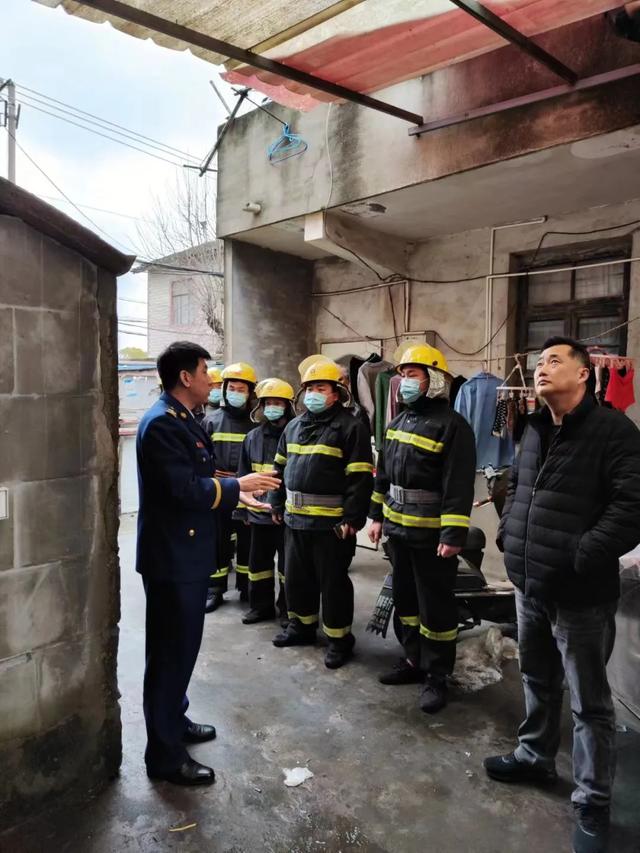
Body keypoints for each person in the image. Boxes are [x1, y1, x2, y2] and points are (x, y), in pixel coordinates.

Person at [483, 337, 640, 853]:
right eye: (538, 363)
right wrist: (509, 533)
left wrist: (582, 553)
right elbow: (517, 486)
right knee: (536, 678)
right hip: (529, 584)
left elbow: (632, 506)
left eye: (554, 361)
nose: (541, 369)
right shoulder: (532, 428)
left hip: (580, 594)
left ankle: (593, 802)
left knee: (590, 704)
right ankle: (535, 757)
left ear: (585, 374)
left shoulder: (614, 431)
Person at [136, 342, 279, 786]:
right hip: (172, 558)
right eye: (205, 371)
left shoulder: (183, 418)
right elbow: (183, 489)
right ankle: (164, 756)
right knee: (169, 656)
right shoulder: (162, 423)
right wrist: (237, 487)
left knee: (182, 651)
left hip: (186, 554)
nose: (211, 380)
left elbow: (198, 473)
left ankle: (174, 721)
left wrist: (239, 486)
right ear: (185, 377)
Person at [368, 344, 476, 713]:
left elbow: (458, 486)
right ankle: (413, 659)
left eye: (412, 374)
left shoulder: (453, 426)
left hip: (432, 538)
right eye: (402, 375)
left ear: (434, 380)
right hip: (398, 533)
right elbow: (383, 476)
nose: (404, 381)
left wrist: (452, 535)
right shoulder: (398, 423)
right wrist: (377, 517)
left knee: (436, 609)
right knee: (407, 602)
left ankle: (437, 675)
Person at [270, 359, 373, 669]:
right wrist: (276, 504)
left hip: (331, 526)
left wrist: (352, 519)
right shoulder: (293, 426)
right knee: (296, 580)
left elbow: (360, 478)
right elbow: (278, 469)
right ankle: (301, 628)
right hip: (295, 521)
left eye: (320, 388)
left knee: (333, 585)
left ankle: (339, 640)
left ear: (336, 393)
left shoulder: (351, 427)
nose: (313, 394)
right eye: (310, 388)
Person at [238, 378, 296, 624]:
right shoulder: (252, 437)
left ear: (288, 406)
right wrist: (243, 511)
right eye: (268, 403)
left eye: (278, 403)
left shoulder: (295, 435)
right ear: (260, 406)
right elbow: (243, 477)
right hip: (258, 512)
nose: (272, 407)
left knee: (287, 567)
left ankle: (287, 610)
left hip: (286, 514)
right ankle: (260, 607)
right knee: (258, 564)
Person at [202, 362, 258, 612]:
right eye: (232, 388)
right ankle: (215, 589)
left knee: (248, 541)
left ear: (250, 393)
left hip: (249, 491)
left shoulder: (256, 424)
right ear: (224, 390)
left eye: (241, 389)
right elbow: (201, 459)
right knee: (217, 541)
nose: (236, 393)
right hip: (220, 489)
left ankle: (246, 587)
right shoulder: (210, 421)